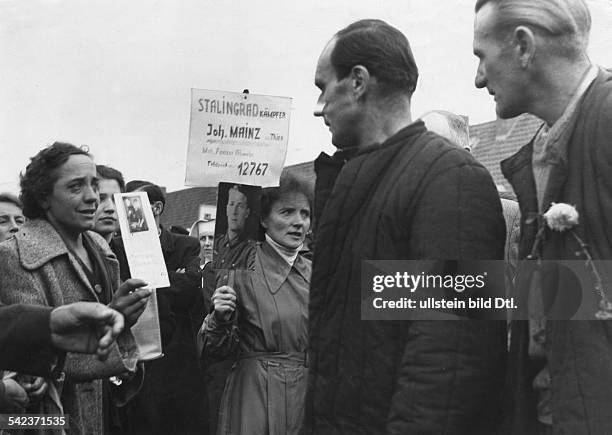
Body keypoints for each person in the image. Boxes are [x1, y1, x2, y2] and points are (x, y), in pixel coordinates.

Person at [305, 19, 507, 434]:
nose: (318, 105)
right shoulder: (355, 178)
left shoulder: (449, 177)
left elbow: (450, 355)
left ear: (358, 81)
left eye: (323, 86)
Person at [473, 0, 612, 433]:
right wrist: (394, 289)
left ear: (522, 46)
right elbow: (566, 295)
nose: (478, 78)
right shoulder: (542, 152)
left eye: (481, 55)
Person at [0, 142, 151, 434]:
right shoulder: (15, 255)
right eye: (75, 187)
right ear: (44, 197)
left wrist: (121, 321)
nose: (92, 197)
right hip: (49, 420)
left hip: (105, 411)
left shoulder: (101, 247)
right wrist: (111, 324)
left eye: (94, 185)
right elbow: (34, 356)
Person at [200, 175, 312, 435]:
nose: (298, 222)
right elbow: (212, 351)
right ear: (263, 219)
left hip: (307, 395)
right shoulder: (240, 268)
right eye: (287, 212)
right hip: (257, 396)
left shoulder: (318, 271)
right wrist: (220, 319)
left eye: (305, 214)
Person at [123, 181, 206, 435]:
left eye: (134, 205)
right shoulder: (119, 247)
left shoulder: (185, 245)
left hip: (177, 354)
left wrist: (148, 275)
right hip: (138, 352)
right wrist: (172, 276)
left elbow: (189, 287)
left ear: (156, 208)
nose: (128, 212)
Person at [213, 185, 257, 270]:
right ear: (227, 209)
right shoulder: (215, 244)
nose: (234, 211)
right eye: (231, 204)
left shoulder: (251, 251)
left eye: (240, 206)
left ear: (247, 213)